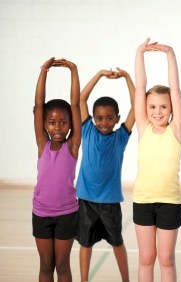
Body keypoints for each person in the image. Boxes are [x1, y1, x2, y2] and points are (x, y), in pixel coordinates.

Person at [133, 38, 181, 282]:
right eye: (152, 106)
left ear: (171, 109)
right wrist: (139, 53)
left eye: (163, 107)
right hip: (143, 201)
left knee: (166, 259)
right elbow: (139, 87)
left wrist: (170, 54)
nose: (157, 111)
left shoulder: (176, 129)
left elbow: (175, 89)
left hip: (169, 203)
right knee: (146, 258)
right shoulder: (143, 127)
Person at [75, 68, 135, 282]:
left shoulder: (120, 137)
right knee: (85, 243)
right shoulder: (88, 130)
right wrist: (99, 75)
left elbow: (137, 106)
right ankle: (84, 279)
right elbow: (81, 99)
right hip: (85, 200)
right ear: (93, 118)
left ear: (117, 118)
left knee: (117, 242)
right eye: (99, 118)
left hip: (109, 202)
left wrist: (128, 77)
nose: (104, 122)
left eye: (109, 118)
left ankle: (125, 279)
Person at [33, 57, 81, 281]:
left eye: (63, 122)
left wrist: (74, 70)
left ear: (70, 124)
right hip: (41, 213)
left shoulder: (72, 146)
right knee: (45, 265)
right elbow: (39, 104)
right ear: (44, 124)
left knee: (62, 265)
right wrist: (44, 70)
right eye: (52, 122)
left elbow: (75, 105)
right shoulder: (42, 143)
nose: (58, 127)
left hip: (67, 214)